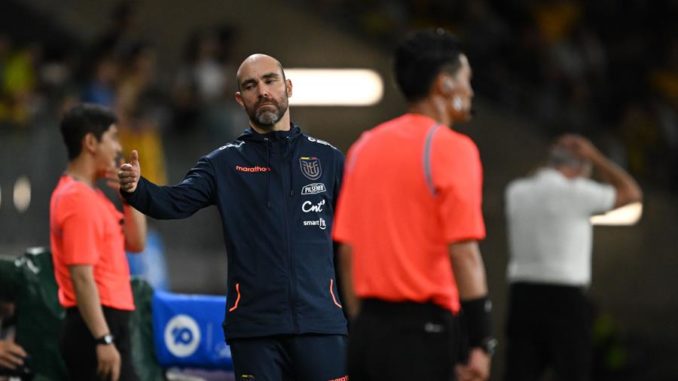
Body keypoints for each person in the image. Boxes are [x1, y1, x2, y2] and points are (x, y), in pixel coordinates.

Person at [118, 54, 348, 381]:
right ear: (240, 99)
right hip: (255, 330)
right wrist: (136, 188)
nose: (263, 91)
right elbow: (173, 202)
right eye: (251, 86)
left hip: (322, 325)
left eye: (270, 81)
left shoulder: (329, 159)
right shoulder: (223, 164)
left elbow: (351, 239)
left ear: (289, 87)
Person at [333, 29, 495, 381]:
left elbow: (347, 251)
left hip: (367, 335)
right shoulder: (452, 148)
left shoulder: (364, 147)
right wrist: (481, 341)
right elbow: (464, 252)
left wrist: (363, 326)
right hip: (424, 335)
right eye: (466, 80)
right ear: (444, 85)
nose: (470, 92)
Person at [503, 134, 642, 381]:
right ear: (580, 167)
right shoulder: (578, 193)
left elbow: (539, 177)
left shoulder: (516, 192)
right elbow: (631, 193)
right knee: (572, 372)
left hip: (522, 297)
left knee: (519, 373)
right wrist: (596, 157)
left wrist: (556, 157)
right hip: (565, 299)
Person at [50, 104, 147, 381]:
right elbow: (81, 276)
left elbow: (137, 243)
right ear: (91, 142)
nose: (118, 148)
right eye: (113, 137)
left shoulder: (95, 199)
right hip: (94, 326)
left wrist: (131, 195)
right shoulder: (76, 198)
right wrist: (103, 339)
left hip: (107, 323)